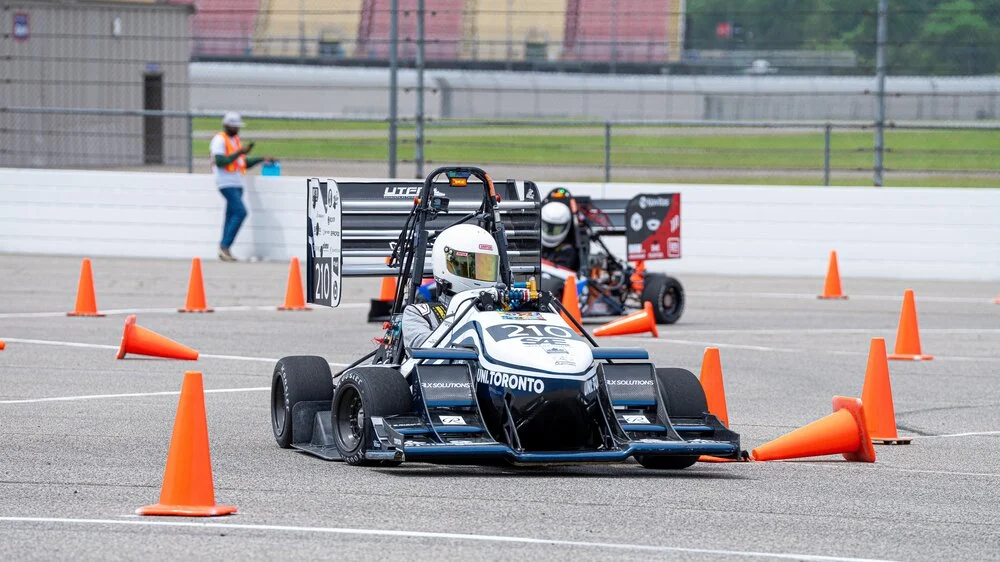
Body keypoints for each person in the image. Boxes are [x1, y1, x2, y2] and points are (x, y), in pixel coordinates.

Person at [401, 223, 500, 352]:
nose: (478, 274)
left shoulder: (503, 310)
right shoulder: (420, 314)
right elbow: (426, 356)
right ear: (444, 262)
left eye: (485, 267)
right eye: (469, 266)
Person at [210, 112, 274, 261]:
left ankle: (224, 249)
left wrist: (261, 159)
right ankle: (225, 245)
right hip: (226, 182)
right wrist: (240, 152)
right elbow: (220, 162)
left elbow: (243, 162)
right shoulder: (219, 140)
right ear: (226, 126)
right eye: (235, 126)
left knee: (231, 216)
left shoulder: (236, 141)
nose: (237, 129)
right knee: (241, 212)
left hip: (237, 182)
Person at [540, 201, 578, 270]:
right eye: (547, 227)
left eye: (556, 228)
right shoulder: (536, 244)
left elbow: (560, 270)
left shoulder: (568, 250)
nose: (550, 232)